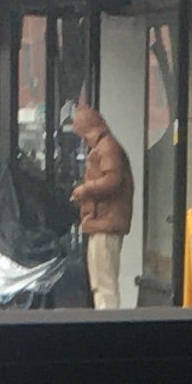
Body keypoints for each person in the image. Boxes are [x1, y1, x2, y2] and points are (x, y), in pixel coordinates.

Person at [69, 92, 133, 308]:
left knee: (104, 284)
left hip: (105, 223)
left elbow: (113, 180)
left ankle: (108, 325)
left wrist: (85, 190)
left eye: (82, 134)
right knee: (101, 282)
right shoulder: (105, 146)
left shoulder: (107, 147)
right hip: (102, 222)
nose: (82, 140)